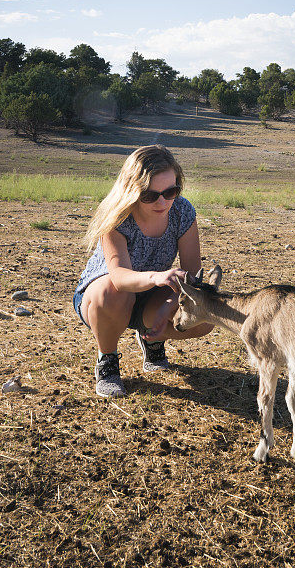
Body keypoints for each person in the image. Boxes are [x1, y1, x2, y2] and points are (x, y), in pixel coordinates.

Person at [73, 144, 213, 398]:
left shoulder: (182, 210)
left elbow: (192, 276)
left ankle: (151, 338)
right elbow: (119, 277)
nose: (163, 201)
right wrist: (157, 276)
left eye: (171, 191)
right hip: (106, 296)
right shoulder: (116, 216)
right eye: (150, 195)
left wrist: (166, 308)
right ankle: (107, 361)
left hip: (153, 292)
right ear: (132, 190)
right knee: (112, 292)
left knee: (203, 317)